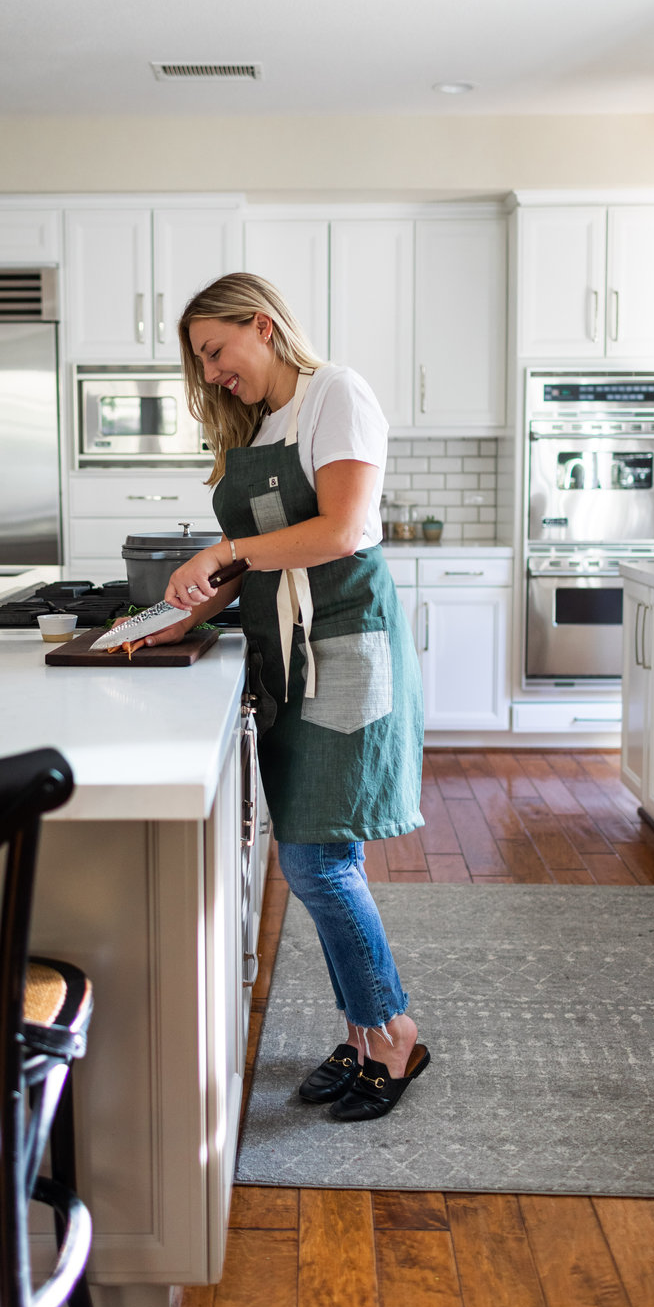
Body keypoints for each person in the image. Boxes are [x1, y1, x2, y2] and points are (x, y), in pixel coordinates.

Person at [145, 273, 429, 1122]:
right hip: (287, 655)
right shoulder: (256, 423)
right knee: (313, 860)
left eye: (215, 351)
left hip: (343, 644)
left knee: (317, 859)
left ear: (262, 328)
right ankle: (362, 1031)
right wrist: (177, 616)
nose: (210, 373)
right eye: (199, 361)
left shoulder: (334, 394)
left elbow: (341, 529)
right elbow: (255, 562)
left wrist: (223, 550)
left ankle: (395, 1033)